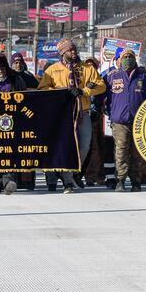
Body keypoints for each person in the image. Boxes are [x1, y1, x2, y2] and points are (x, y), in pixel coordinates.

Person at [39, 38, 106, 193]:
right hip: (61, 115)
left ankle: (73, 170)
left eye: (74, 49)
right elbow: (42, 88)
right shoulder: (52, 70)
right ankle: (64, 179)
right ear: (63, 53)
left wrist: (84, 91)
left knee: (85, 144)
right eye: (70, 50)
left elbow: (101, 85)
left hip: (82, 111)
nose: (74, 52)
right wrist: (60, 93)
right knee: (64, 145)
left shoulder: (87, 68)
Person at [104, 49, 146, 191]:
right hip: (119, 120)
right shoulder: (111, 76)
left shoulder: (144, 75)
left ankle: (136, 181)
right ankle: (120, 180)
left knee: (137, 152)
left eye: (130, 57)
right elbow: (101, 94)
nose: (128, 59)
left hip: (139, 120)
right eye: (125, 57)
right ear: (120, 59)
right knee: (121, 150)